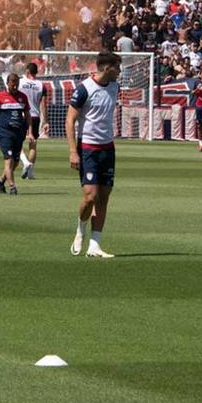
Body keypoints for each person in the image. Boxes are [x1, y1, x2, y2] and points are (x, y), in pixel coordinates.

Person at [66, 51, 122, 258]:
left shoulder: (116, 87)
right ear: (108, 68)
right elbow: (70, 119)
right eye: (118, 67)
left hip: (108, 149)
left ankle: (95, 245)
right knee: (90, 196)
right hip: (88, 148)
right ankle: (80, 230)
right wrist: (73, 151)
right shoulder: (84, 89)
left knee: (104, 197)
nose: (120, 71)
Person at [0, 72, 30, 195]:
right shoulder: (0, 97)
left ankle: (1, 181)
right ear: (7, 84)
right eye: (13, 85)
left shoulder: (23, 97)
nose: (15, 87)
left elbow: (27, 115)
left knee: (15, 162)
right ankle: (12, 186)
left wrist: (30, 132)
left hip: (19, 133)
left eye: (17, 85)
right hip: (4, 132)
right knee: (9, 159)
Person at [17, 62, 49, 180]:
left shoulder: (20, 82)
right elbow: (44, 105)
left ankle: (25, 162)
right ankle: (30, 173)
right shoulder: (41, 85)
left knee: (17, 143)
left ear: (27, 71)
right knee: (33, 144)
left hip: (21, 115)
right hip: (35, 116)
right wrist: (46, 121)